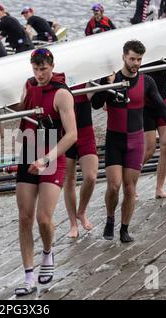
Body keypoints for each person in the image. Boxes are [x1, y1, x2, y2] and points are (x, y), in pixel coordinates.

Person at [91, 40, 166, 243]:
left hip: (135, 141)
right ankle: (109, 219)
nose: (136, 63)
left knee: (130, 187)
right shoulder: (113, 79)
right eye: (132, 59)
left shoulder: (147, 81)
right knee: (113, 186)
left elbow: (161, 106)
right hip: (114, 139)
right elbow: (96, 104)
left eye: (139, 59)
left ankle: (124, 229)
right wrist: (107, 85)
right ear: (124, 57)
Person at [12, 48, 77, 296]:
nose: (39, 74)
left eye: (44, 69)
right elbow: (21, 109)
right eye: (36, 69)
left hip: (52, 154)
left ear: (52, 66)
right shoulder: (29, 86)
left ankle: (48, 253)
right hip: (29, 151)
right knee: (25, 218)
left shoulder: (61, 94)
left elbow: (72, 135)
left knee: (43, 218)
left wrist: (46, 158)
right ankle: (29, 276)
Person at [64, 84, 98, 238]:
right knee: (69, 180)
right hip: (64, 135)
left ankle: (81, 211)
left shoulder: (85, 75)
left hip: (85, 132)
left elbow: (97, 102)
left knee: (91, 177)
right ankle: (73, 223)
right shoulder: (58, 81)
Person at [141, 61, 166, 199]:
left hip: (163, 101)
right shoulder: (138, 56)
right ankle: (130, 182)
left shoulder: (164, 51)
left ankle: (159, 189)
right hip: (145, 105)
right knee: (149, 149)